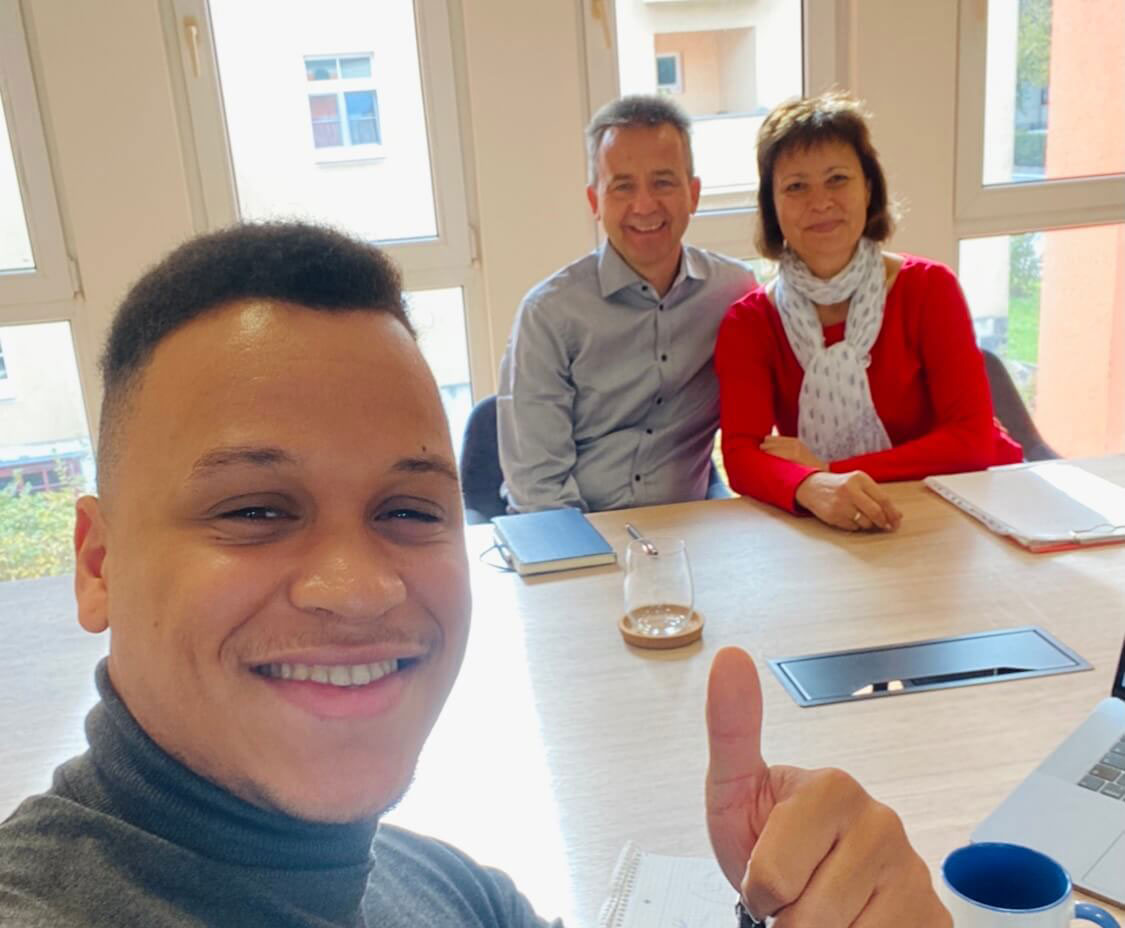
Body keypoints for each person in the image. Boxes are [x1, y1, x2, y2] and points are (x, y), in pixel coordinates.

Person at [0, 223, 950, 927]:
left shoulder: (444, 890)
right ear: (98, 564)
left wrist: (795, 910)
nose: (359, 587)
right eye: (254, 510)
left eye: (408, 510)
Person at [715, 92, 1022, 532]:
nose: (820, 202)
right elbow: (742, 458)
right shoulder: (749, 323)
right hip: (838, 521)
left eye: (837, 179)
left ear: (869, 188)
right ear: (772, 206)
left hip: (974, 506)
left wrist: (828, 470)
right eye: (796, 186)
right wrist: (815, 487)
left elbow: (971, 442)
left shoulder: (929, 289)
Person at [497, 95, 756, 513]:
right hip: (577, 529)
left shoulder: (734, 294)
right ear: (595, 202)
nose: (644, 205)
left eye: (663, 182)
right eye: (623, 186)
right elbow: (538, 489)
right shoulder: (549, 314)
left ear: (693, 194)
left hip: (689, 531)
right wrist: (592, 554)